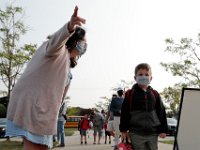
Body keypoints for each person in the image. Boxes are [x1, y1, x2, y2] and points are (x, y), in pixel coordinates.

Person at [6, 6, 87, 150]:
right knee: (33, 147)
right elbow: (56, 42)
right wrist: (69, 27)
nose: (85, 45)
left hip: (44, 111)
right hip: (33, 105)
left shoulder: (68, 65)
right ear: (73, 40)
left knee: (42, 147)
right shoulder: (56, 50)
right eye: (83, 41)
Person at [120, 63, 168, 150]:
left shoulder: (155, 94)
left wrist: (163, 130)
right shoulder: (130, 94)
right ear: (135, 78)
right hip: (136, 133)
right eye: (140, 74)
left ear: (151, 78)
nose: (143, 76)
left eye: (146, 75)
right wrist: (123, 130)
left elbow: (161, 112)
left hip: (152, 133)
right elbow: (124, 113)